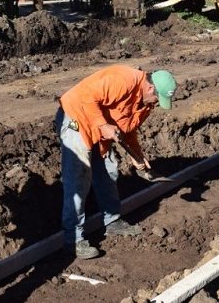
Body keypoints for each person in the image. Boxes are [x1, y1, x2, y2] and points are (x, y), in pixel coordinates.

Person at [56, 65, 177, 259]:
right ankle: (73, 240)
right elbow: (88, 96)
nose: (155, 103)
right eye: (156, 98)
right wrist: (103, 125)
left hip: (98, 128)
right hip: (76, 119)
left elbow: (128, 130)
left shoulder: (145, 103)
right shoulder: (123, 79)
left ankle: (112, 221)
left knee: (109, 170)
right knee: (79, 179)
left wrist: (137, 155)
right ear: (150, 88)